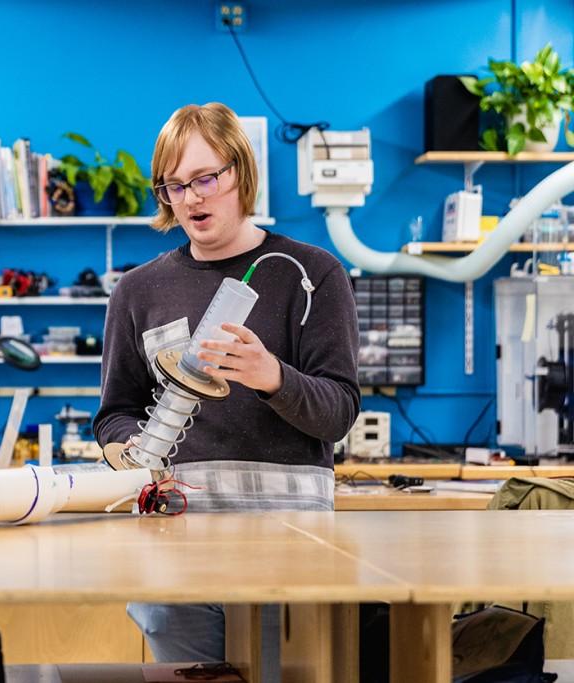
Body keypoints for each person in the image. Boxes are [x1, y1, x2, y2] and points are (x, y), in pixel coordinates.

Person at [93, 103, 360, 662]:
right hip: (174, 538)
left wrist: (273, 378)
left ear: (241, 171)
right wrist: (124, 452)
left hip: (287, 542)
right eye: (173, 186)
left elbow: (338, 412)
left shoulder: (310, 274)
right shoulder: (138, 291)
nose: (191, 198)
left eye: (205, 178)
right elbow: (115, 410)